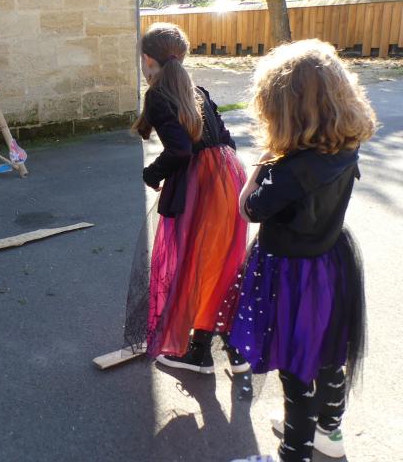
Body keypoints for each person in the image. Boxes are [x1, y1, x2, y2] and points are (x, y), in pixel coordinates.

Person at [228, 39, 376, 462]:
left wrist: (263, 161)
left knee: (295, 367)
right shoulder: (347, 143)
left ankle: (293, 452)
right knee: (330, 353)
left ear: (284, 107)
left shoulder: (288, 169)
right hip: (332, 263)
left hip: (292, 275)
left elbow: (248, 208)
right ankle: (329, 433)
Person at [134, 23, 249, 374]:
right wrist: (225, 174)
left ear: (147, 59)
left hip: (204, 184)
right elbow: (226, 138)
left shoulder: (158, 95)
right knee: (222, 260)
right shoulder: (197, 89)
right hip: (230, 176)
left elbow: (181, 150)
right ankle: (233, 347)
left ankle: (198, 353)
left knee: (194, 262)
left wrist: (152, 174)